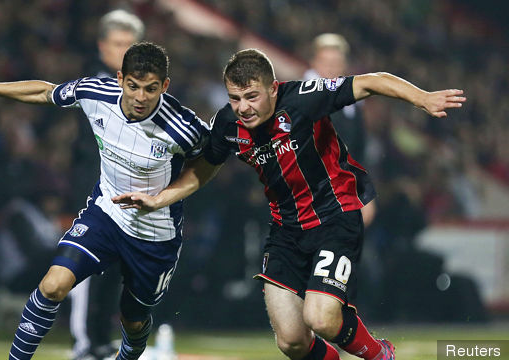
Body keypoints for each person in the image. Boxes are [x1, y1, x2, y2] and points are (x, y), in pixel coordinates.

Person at [112, 48, 466, 360]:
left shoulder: (303, 98)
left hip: (335, 217)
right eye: (235, 98)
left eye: (251, 96)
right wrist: (160, 198)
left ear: (272, 88)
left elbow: (372, 81)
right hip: (285, 231)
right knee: (292, 342)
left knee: (321, 318)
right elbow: (203, 168)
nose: (243, 107)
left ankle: (379, 354)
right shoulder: (227, 123)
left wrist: (422, 98)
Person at [0, 41, 209, 360]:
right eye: (133, 86)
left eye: (151, 88)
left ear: (165, 85)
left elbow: (208, 162)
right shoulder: (96, 93)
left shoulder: (183, 126)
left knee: (133, 321)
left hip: (154, 235)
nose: (141, 97)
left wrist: (164, 199)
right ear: (120, 79)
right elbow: (44, 92)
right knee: (52, 286)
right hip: (106, 215)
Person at [68, 9, 145, 360]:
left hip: (126, 186)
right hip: (92, 182)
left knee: (116, 265)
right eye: (118, 44)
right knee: (87, 261)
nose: (124, 50)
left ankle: (100, 337)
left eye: (130, 44)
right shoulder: (95, 85)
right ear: (102, 47)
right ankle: (85, 340)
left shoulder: (145, 90)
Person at [303, 33, 376, 226]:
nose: (330, 67)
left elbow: (359, 152)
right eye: (325, 61)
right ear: (313, 63)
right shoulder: (302, 99)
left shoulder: (352, 106)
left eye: (336, 61)